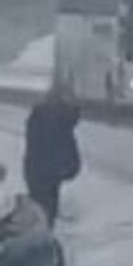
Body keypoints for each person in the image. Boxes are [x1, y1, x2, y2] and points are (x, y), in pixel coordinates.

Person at [22, 82, 82, 228]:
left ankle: (42, 233)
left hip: (37, 170)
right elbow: (71, 120)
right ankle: (44, 235)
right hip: (49, 171)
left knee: (41, 207)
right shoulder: (58, 118)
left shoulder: (39, 115)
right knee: (48, 207)